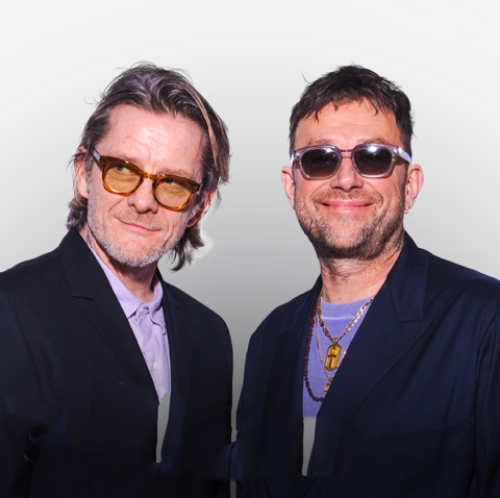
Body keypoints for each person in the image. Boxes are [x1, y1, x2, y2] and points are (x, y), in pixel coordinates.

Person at [235, 65, 500, 496]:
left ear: (409, 185)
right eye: (320, 159)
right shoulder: (268, 340)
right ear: (291, 186)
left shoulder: (485, 321)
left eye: (373, 157)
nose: (345, 179)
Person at [0, 63, 232, 498]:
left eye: (173, 183)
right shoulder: (11, 312)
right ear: (83, 174)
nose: (143, 201)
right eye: (122, 170)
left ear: (199, 206)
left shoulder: (210, 336)